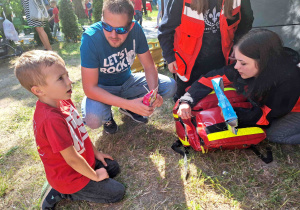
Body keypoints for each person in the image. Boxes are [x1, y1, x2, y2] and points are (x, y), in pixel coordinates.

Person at [14, 50, 125, 209]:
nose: (69, 81)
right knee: (117, 192)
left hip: (82, 162)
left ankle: (86, 173)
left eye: (66, 75)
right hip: (69, 177)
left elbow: (82, 133)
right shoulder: (50, 120)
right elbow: (71, 158)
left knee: (112, 167)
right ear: (38, 90)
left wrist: (96, 153)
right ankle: (61, 191)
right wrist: (94, 175)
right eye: (60, 78)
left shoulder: (64, 100)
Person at [177, 29, 300, 144]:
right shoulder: (244, 67)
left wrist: (234, 115)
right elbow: (209, 79)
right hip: (271, 107)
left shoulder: (288, 80)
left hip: (293, 109)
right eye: (236, 60)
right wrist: (186, 101)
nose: (236, 67)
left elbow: (266, 116)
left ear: (263, 61)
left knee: (274, 135)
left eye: (243, 63)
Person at [80, 0, 176, 134]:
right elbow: (89, 88)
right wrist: (128, 104)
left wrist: (153, 94)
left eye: (120, 30)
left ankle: (129, 107)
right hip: (101, 88)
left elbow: (149, 66)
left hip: (128, 81)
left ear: (130, 26)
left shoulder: (136, 29)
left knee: (169, 86)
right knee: (93, 119)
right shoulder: (90, 38)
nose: (113, 35)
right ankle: (108, 117)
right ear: (102, 20)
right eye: (107, 27)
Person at [158, 0, 254, 101]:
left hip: (222, 63)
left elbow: (246, 21)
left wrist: (237, 44)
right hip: (189, 66)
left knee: (219, 102)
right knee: (184, 102)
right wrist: (169, 57)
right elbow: (165, 29)